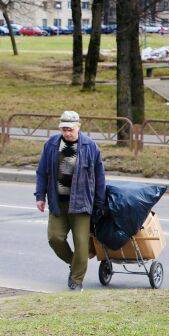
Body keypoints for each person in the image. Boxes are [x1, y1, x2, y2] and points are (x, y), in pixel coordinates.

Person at [34, 110, 107, 291]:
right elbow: (42, 172)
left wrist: (99, 204)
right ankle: (75, 264)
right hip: (58, 202)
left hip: (81, 204)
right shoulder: (51, 145)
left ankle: (76, 280)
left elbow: (100, 178)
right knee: (54, 238)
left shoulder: (90, 147)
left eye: (70, 129)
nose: (67, 133)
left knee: (82, 245)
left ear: (78, 127)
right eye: (64, 129)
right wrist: (40, 196)